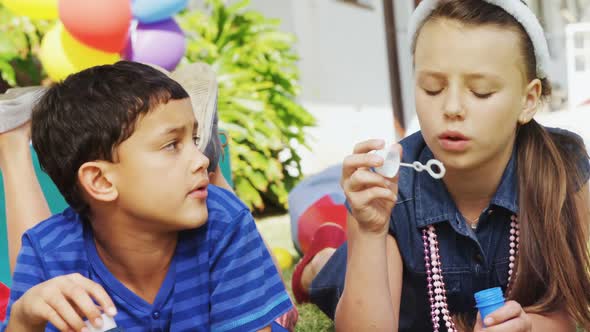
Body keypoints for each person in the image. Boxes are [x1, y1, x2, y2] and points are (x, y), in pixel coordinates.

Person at [291, 0, 590, 331]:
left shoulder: (563, 170)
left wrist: (529, 326)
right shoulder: (392, 190)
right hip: (371, 280)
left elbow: (568, 309)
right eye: (432, 88)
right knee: (331, 271)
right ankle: (318, 258)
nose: (452, 108)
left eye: (481, 91)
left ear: (528, 99)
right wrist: (368, 232)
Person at [0, 61, 293, 331]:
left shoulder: (223, 222)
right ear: (101, 181)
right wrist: (24, 320)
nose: (199, 159)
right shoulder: (45, 252)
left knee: (277, 310)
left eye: (194, 140)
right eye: (171, 145)